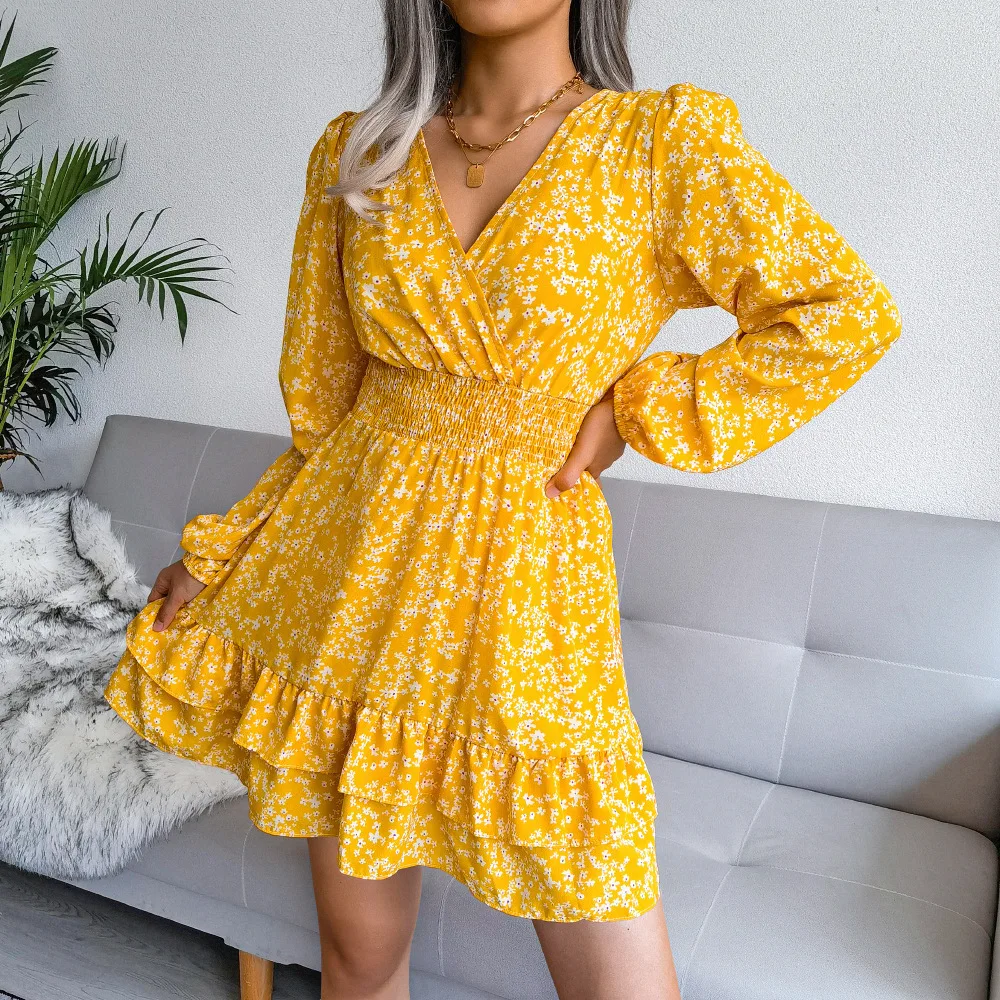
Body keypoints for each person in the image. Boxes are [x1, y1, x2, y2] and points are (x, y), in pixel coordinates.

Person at [103, 1, 902, 997]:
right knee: (358, 958)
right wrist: (224, 553)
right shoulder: (359, 154)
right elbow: (326, 415)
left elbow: (841, 312)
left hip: (525, 598)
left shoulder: (658, 144)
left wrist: (635, 409)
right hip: (354, 585)